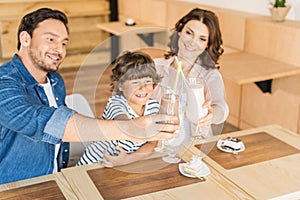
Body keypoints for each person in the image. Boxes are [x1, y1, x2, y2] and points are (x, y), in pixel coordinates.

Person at [0, 8, 178, 185]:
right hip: (17, 187)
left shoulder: (55, 81)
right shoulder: (4, 82)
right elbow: (46, 123)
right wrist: (129, 128)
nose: (59, 49)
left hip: (55, 177)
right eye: (51, 39)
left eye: (63, 43)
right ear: (25, 39)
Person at [77, 51, 162, 167]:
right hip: (95, 163)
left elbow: (152, 144)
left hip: (124, 165)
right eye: (135, 82)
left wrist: (127, 159)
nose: (143, 88)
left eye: (147, 81)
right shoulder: (116, 103)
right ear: (121, 86)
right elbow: (125, 124)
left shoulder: (154, 107)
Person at [154, 8, 229, 137]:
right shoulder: (156, 66)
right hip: (155, 142)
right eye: (189, 33)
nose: (192, 42)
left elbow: (221, 108)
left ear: (207, 45)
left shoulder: (209, 75)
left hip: (194, 145)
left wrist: (212, 113)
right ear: (180, 32)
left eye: (202, 39)